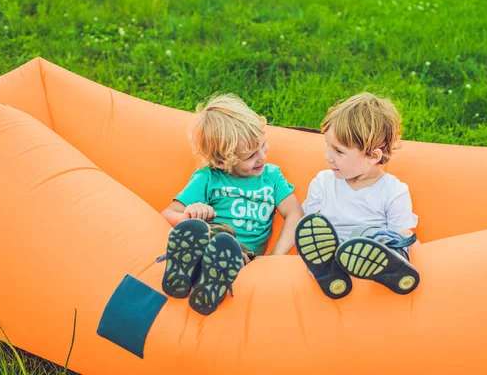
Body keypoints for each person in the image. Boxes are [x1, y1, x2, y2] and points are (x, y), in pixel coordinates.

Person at [161, 94, 303, 315]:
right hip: (211, 238)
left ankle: (207, 281)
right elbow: (169, 213)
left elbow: (295, 214)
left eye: (263, 145)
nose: (262, 157)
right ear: (221, 161)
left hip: (243, 256)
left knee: (229, 249)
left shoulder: (272, 177)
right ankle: (185, 270)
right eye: (250, 156)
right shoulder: (208, 178)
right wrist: (188, 216)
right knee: (215, 234)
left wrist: (275, 257)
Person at [296, 93, 419, 299]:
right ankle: (330, 272)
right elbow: (310, 230)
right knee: (320, 239)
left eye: (338, 151)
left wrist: (405, 250)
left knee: (379, 236)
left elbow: (402, 233)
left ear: (373, 156)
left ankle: (392, 270)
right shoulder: (323, 182)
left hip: (371, 253)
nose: (328, 156)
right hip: (330, 251)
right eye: (327, 145)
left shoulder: (393, 191)